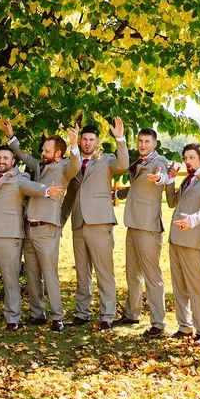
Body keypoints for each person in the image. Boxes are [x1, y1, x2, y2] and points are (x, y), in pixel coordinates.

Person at [0, 145, 63, 331]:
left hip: (9, 236)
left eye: (6, 158)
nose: (1, 161)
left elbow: (32, 187)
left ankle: (12, 318)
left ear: (13, 161)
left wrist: (47, 191)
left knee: (10, 279)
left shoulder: (20, 178)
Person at [2, 121, 80, 332]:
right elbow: (25, 156)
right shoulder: (39, 166)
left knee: (49, 273)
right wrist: (12, 138)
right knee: (33, 273)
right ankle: (38, 313)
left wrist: (74, 145)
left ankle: (58, 316)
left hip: (47, 228)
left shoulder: (64, 168)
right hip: (29, 227)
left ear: (58, 154)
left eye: (47, 150)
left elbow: (75, 165)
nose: (42, 152)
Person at [62, 117, 129, 331]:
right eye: (84, 139)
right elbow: (69, 177)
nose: (87, 143)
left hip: (100, 221)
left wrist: (120, 138)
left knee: (104, 271)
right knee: (82, 272)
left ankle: (107, 315)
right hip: (79, 222)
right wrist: (72, 148)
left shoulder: (106, 160)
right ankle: (82, 313)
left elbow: (123, 165)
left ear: (97, 142)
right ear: (80, 141)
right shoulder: (72, 161)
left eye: (91, 139)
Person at [114, 127, 171, 337]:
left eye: (147, 142)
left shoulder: (158, 161)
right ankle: (132, 313)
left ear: (155, 144)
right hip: (133, 223)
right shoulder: (139, 161)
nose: (143, 145)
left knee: (152, 276)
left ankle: (158, 323)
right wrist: (122, 192)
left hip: (148, 227)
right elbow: (138, 186)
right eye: (140, 141)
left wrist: (159, 179)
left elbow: (161, 176)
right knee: (132, 273)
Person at [165, 143, 200, 345]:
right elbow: (172, 202)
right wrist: (170, 179)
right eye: (185, 158)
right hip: (175, 239)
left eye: (192, 158)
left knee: (196, 287)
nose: (188, 162)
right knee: (179, 286)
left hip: (192, 241)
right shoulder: (187, 180)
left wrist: (193, 220)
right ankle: (184, 326)